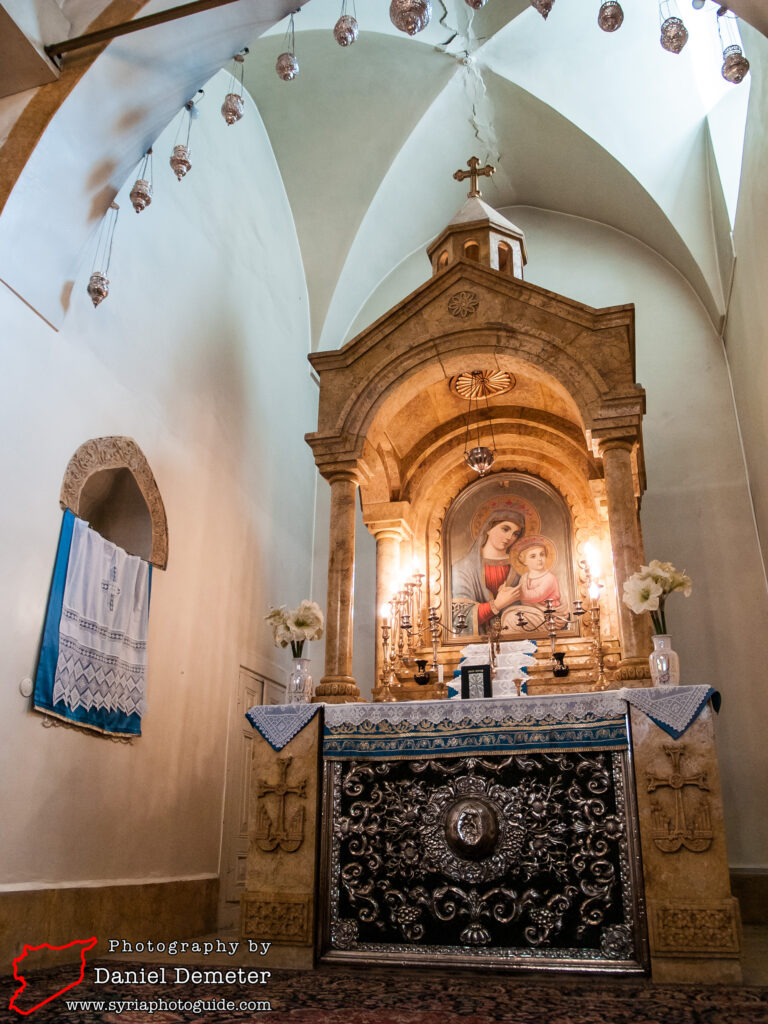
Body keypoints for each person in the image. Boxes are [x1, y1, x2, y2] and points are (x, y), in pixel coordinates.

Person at [451, 512, 526, 635]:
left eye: (515, 534)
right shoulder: (462, 568)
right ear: (488, 529)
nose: (509, 537)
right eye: (505, 529)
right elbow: (458, 618)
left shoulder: (520, 567)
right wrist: (497, 605)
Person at [500, 536, 561, 632]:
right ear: (524, 561)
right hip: (532, 612)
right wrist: (507, 591)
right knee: (509, 616)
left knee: (511, 619)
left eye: (542, 554)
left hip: (547, 616)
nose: (539, 559)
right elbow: (521, 591)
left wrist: (514, 593)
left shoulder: (549, 578)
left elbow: (536, 595)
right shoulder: (524, 577)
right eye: (533, 556)